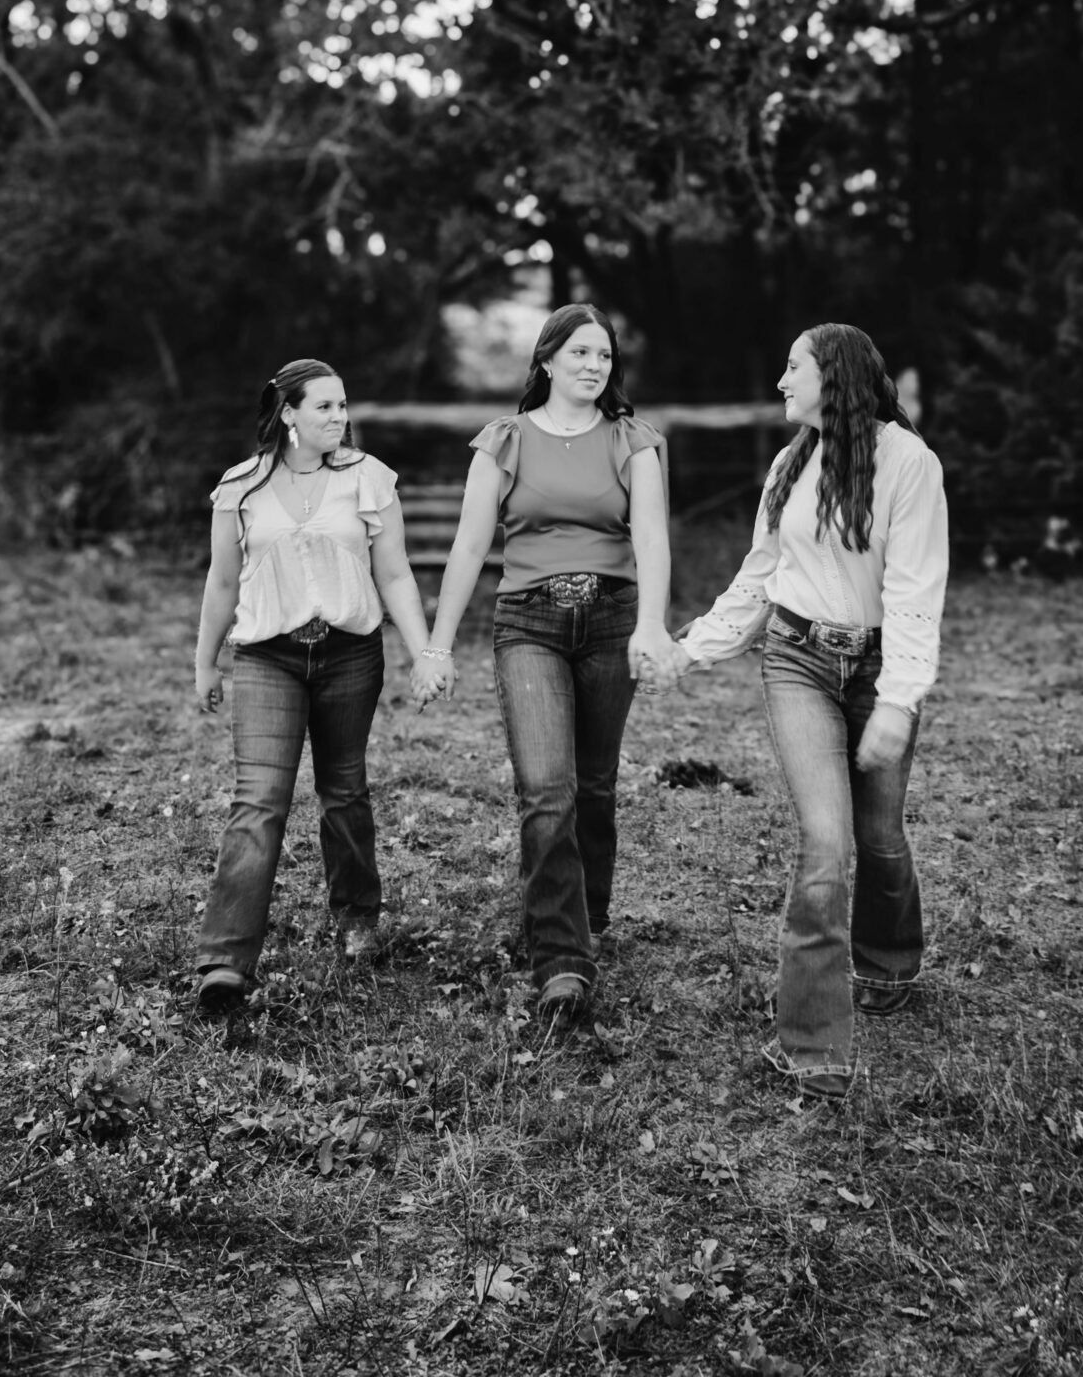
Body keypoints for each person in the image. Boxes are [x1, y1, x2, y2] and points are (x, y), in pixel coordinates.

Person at [678, 323, 948, 1100]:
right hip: (795, 659)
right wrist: (690, 648)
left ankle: (888, 962)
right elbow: (760, 575)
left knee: (879, 835)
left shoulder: (908, 463)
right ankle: (813, 1043)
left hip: (876, 666)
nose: (780, 381)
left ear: (833, 376)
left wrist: (896, 699)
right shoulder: (788, 464)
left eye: (792, 368)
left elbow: (914, 591)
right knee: (826, 840)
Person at [409, 303, 679, 1029]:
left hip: (611, 621)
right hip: (529, 622)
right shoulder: (506, 440)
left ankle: (588, 915)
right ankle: (561, 958)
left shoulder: (632, 440)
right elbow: (470, 547)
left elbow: (651, 538)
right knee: (546, 788)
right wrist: (437, 645)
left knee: (593, 785)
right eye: (581, 352)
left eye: (604, 355)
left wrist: (651, 624)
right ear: (548, 360)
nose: (594, 365)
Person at [192, 358, 450, 1016]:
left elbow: (395, 574)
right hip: (266, 657)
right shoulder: (240, 488)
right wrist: (205, 662)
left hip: (349, 655)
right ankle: (224, 962)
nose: (340, 417)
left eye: (343, 405)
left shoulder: (368, 478)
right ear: (289, 414)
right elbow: (221, 582)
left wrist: (424, 651)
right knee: (259, 800)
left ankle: (357, 918)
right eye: (325, 406)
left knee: (343, 791)